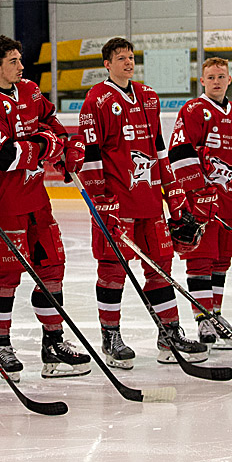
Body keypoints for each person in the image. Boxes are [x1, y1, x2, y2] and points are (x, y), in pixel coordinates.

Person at [68, 37, 208, 369]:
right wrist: (100, 199)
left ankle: (169, 334)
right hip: (117, 204)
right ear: (107, 64)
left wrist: (172, 193)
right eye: (121, 58)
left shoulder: (148, 97)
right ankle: (111, 336)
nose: (128, 63)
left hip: (150, 203)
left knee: (160, 267)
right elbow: (90, 154)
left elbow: (159, 148)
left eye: (131, 57)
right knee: (113, 269)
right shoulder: (96, 100)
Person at [0, 35, 90, 382]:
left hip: (38, 202)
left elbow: (53, 126)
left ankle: (53, 344)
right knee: (5, 279)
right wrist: (48, 145)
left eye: (21, 60)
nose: (21, 66)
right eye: (14, 61)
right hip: (4, 206)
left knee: (53, 269)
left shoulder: (31, 90)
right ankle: (1, 344)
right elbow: (6, 157)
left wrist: (67, 145)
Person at [168, 58, 232, 350]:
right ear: (203, 82)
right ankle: (202, 318)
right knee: (201, 259)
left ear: (230, 80)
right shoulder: (194, 110)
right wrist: (197, 190)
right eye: (211, 77)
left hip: (231, 200)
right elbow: (179, 152)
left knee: (222, 259)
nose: (217, 81)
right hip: (201, 201)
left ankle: (217, 314)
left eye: (222, 76)